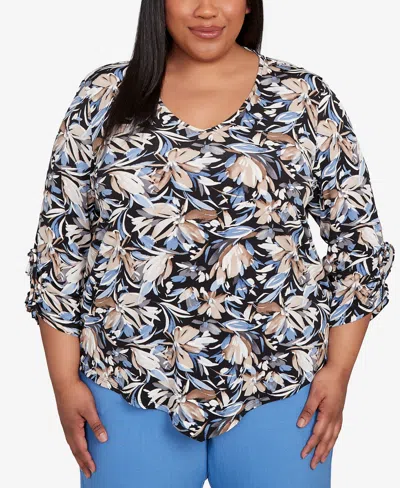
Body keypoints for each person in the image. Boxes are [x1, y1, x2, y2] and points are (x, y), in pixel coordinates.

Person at [25, 1, 395, 487]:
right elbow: (60, 245)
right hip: (126, 382)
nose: (206, 10)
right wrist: (63, 382)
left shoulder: (302, 97)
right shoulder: (103, 96)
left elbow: (358, 240)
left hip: (280, 386)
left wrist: (339, 370)